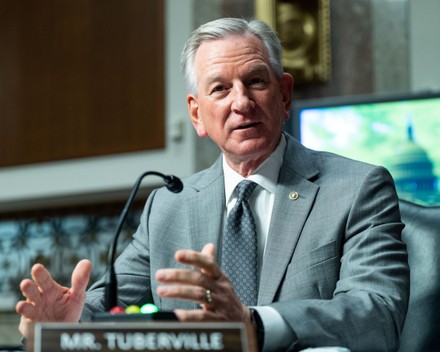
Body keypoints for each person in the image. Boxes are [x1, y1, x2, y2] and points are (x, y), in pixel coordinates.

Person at [16, 18, 409, 351]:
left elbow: (376, 314)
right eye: (220, 88)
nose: (241, 102)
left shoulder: (357, 188)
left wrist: (251, 324)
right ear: (197, 114)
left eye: (255, 81)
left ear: (285, 95)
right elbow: (107, 307)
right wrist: (64, 325)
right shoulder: (168, 206)